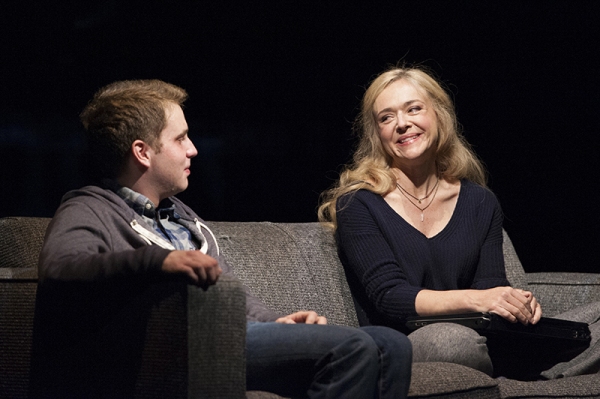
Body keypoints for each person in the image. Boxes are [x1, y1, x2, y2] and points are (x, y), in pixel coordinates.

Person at [29, 79, 412, 398]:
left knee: (390, 345)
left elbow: (229, 293)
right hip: (182, 345)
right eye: (180, 139)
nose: (193, 149)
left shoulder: (181, 215)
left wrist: (277, 322)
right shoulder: (90, 206)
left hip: (232, 333)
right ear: (142, 152)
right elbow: (62, 267)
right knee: (354, 347)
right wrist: (159, 261)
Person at [318, 65, 600, 379]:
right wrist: (481, 299)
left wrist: (514, 301)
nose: (401, 124)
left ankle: (536, 371)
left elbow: (489, 285)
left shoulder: (479, 200)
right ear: (377, 133)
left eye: (414, 109)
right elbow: (391, 297)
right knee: (453, 342)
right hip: (408, 340)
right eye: (386, 117)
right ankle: (537, 370)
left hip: (481, 334)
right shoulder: (358, 202)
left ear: (439, 115)